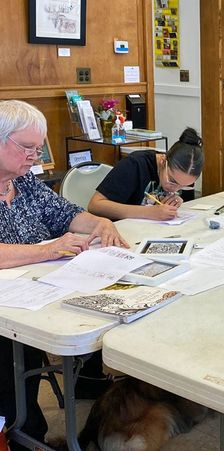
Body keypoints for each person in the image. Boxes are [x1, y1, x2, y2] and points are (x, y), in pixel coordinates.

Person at [0, 100, 128, 448]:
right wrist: (49, 249)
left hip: (36, 293)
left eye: (38, 148)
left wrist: (101, 223)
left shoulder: (23, 183)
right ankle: (19, 429)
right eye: (27, 147)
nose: (35, 156)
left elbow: (67, 213)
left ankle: (87, 396)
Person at [88, 127, 204, 221]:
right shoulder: (134, 165)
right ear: (163, 161)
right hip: (114, 229)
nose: (175, 188)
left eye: (185, 185)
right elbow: (95, 205)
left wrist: (170, 202)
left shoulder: (172, 173)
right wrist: (149, 212)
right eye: (173, 181)